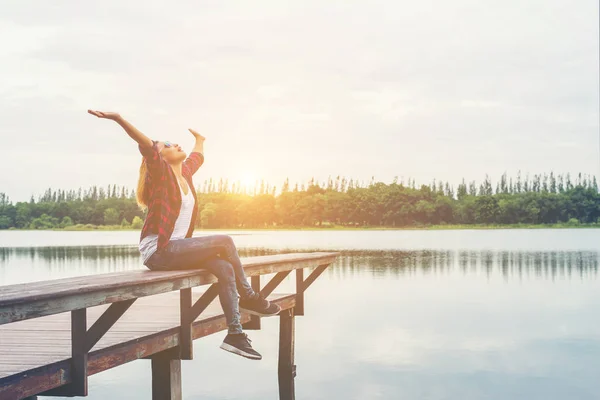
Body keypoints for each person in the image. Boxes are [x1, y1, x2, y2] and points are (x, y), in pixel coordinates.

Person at [87, 109, 280, 360]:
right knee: (225, 241)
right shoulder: (161, 175)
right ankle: (251, 297)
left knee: (224, 267)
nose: (174, 144)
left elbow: (198, 157)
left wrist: (200, 139)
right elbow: (146, 146)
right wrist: (119, 119)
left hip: (178, 249)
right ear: (159, 157)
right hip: (159, 251)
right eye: (166, 145)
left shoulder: (185, 174)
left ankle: (235, 334)